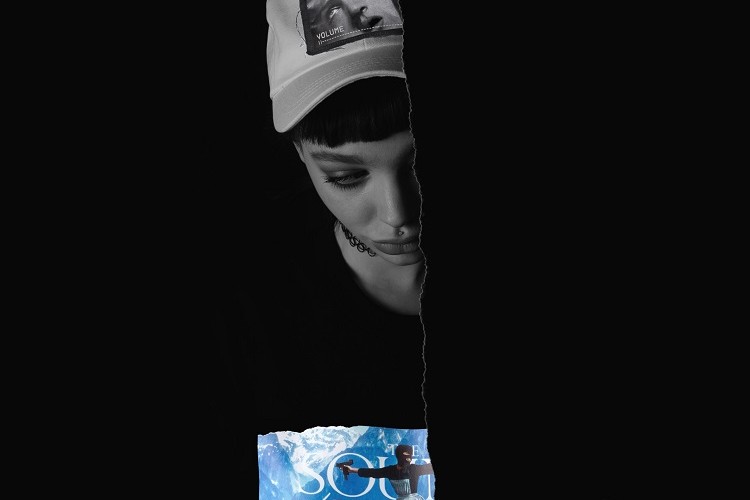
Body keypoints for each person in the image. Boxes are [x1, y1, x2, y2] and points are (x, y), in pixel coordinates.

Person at [205, 0, 429, 494]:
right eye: (346, 176)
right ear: (300, 155)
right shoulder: (245, 326)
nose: (398, 214)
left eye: (422, 162)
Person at [340, 444, 434, 500]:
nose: (409, 457)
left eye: (410, 455)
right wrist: (352, 470)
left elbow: (430, 468)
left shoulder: (414, 469)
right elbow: (372, 472)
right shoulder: (390, 470)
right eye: (406, 454)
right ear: (398, 455)